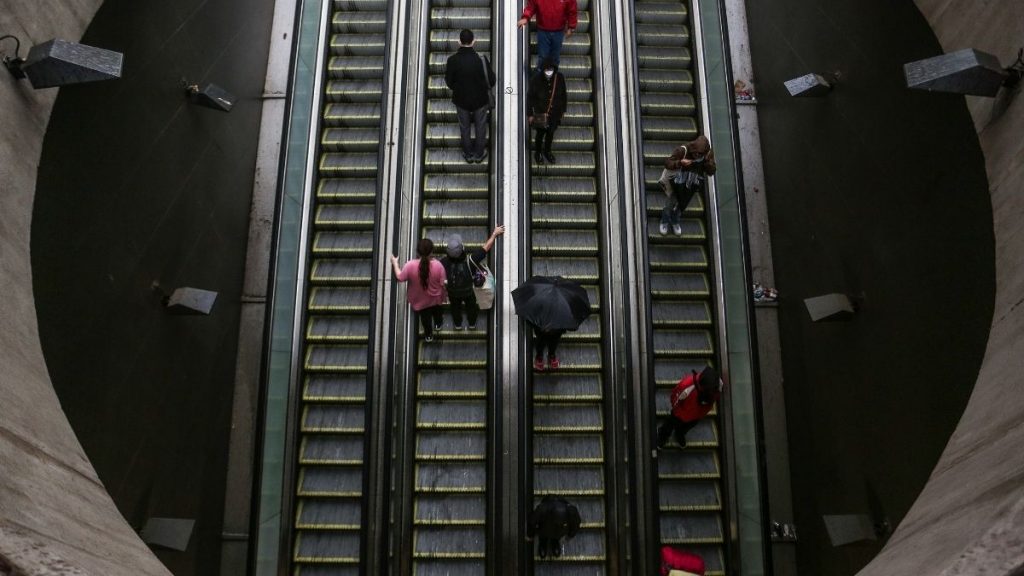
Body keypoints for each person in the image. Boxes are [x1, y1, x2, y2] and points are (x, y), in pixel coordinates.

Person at [445, 29, 497, 164]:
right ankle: (479, 154)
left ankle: (468, 154)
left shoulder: (452, 60)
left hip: (461, 100)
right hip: (480, 100)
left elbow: (449, 82)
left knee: (465, 127)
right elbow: (491, 81)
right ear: (474, 41)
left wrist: (459, 89)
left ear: (459, 42)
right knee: (481, 127)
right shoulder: (482, 60)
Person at [440, 225, 505, 330]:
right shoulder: (471, 260)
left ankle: (457, 325)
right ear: (462, 249)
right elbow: (486, 248)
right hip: (469, 292)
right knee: (471, 308)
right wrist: (494, 234)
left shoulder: (443, 262)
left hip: (452, 292)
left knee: (455, 308)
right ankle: (472, 324)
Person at [658, 134, 716, 236]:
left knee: (681, 206)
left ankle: (675, 221)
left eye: (701, 154)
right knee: (669, 204)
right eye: (697, 153)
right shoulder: (683, 150)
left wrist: (708, 162)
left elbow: (711, 172)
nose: (698, 156)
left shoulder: (706, 156)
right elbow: (667, 163)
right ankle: (665, 221)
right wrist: (680, 163)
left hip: (689, 185)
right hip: (676, 183)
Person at [390, 239, 447, 342]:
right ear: (432, 252)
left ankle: (429, 335)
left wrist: (395, 263)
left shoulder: (410, 265)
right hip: (435, 299)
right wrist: (444, 296)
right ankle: (438, 325)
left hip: (419, 301)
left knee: (425, 319)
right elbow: (442, 284)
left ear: (417, 252)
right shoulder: (438, 266)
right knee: (437, 313)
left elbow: (400, 277)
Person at [656, 365, 724, 449]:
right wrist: (677, 411)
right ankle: (663, 436)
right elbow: (675, 397)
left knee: (686, 427)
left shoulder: (715, 387)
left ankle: (679, 433)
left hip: (696, 416)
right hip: (680, 413)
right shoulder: (688, 385)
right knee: (670, 424)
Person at [517, 0, 578, 72]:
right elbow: (531, 6)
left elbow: (572, 10)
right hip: (543, 31)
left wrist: (571, 27)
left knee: (555, 57)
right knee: (543, 57)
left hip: (558, 32)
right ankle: (540, 75)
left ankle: (553, 77)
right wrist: (525, 18)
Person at [527, 58, 567, 165]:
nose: (549, 72)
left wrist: (563, 109)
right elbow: (530, 98)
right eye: (546, 70)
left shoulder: (559, 78)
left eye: (551, 70)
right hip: (541, 114)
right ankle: (538, 152)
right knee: (540, 135)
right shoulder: (535, 80)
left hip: (554, 115)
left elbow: (563, 94)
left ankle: (547, 151)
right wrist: (530, 114)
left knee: (550, 134)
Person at [527, 495, 581, 559]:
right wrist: (530, 535)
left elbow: (576, 523)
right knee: (543, 536)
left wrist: (570, 535)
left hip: (558, 532)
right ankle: (543, 542)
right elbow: (532, 521)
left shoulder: (571, 512)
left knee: (555, 535)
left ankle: (554, 541)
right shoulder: (542, 509)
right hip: (545, 530)